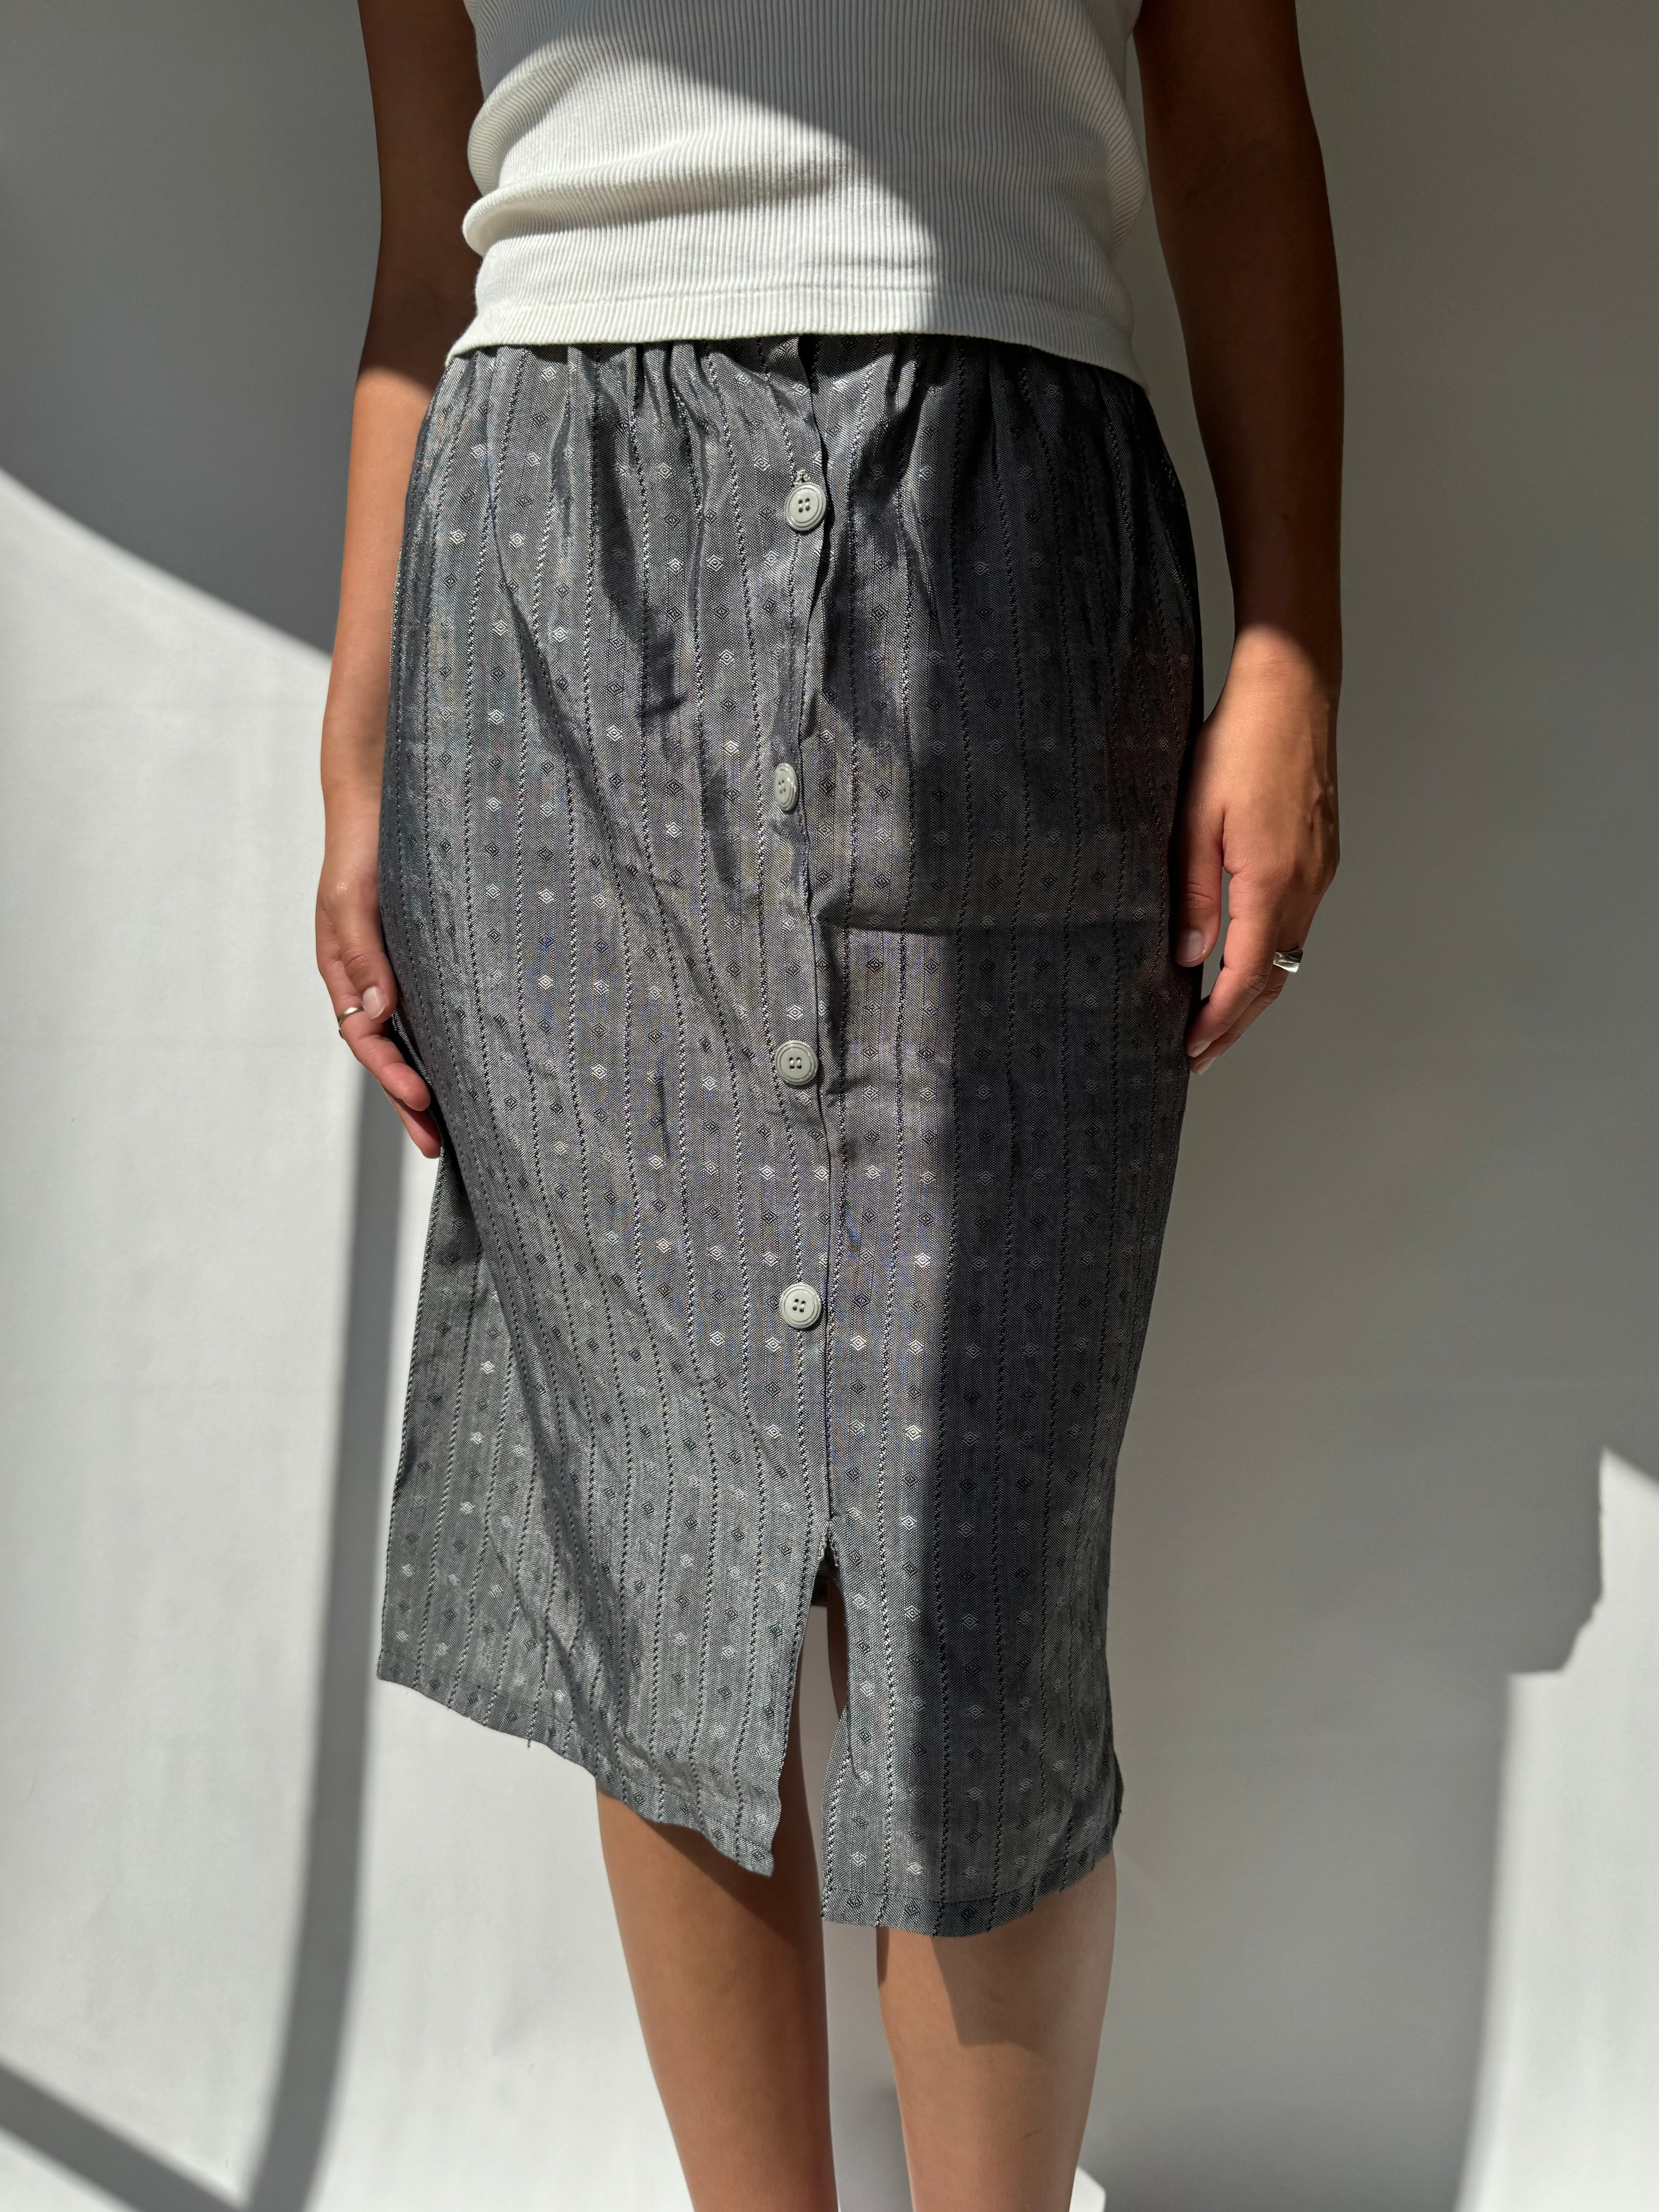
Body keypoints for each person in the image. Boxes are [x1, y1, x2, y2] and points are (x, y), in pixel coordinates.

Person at [315, 2, 1341, 2204]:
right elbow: (429, 251)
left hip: (1006, 554)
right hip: (551, 609)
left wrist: (1290, 648)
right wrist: (358, 748)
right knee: (665, 1564)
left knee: (978, 1579)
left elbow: (1237, 111)